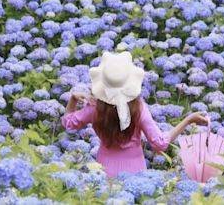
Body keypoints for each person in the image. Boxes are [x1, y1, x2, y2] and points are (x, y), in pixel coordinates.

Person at [61, 51, 209, 178]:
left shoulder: (95, 108)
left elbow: (68, 123)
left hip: (103, 171)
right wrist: (188, 120)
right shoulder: (138, 108)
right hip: (135, 173)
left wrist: (73, 98)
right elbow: (159, 144)